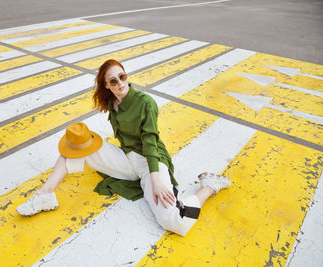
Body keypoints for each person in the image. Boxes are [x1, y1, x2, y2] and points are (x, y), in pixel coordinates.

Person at [16, 59, 231, 236]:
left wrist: (155, 179)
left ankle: (209, 186)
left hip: (150, 162)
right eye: (113, 80)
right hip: (126, 160)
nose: (120, 83)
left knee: (174, 222)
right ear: (106, 86)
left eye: (123, 76)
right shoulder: (112, 102)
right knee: (77, 145)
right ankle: (45, 195)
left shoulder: (145, 102)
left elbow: (150, 142)